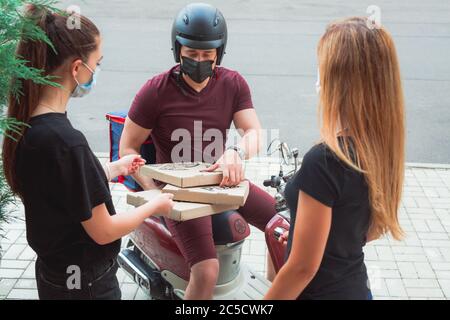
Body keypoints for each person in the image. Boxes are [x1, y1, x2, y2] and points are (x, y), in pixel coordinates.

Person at [1, 5, 174, 300]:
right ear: (77, 68)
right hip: (86, 285)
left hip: (54, 275)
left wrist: (113, 169)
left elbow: (62, 188)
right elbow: (104, 231)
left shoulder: (28, 126)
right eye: (98, 62)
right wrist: (153, 205)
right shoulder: (68, 142)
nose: (98, 70)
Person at [119, 3, 277, 299]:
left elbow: (254, 132)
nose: (200, 61)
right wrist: (153, 191)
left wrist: (236, 153)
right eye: (191, 54)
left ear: (220, 51)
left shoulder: (233, 83)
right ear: (177, 49)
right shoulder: (154, 90)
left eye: (207, 55)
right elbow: (127, 147)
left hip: (221, 182)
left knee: (282, 230)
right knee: (206, 271)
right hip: (177, 192)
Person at [264, 17, 405, 300]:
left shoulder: (326, 160)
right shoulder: (379, 148)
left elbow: (302, 269)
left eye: (322, 69)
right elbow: (367, 231)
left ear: (340, 80)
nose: (317, 79)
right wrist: (305, 234)